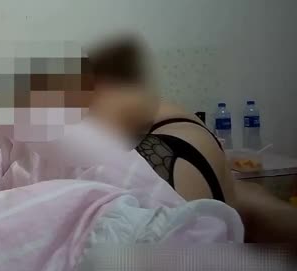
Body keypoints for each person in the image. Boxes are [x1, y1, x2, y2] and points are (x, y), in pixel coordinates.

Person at [86, 36, 297, 245]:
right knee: (248, 202)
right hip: (190, 146)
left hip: (161, 156)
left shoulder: (95, 109)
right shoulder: (148, 105)